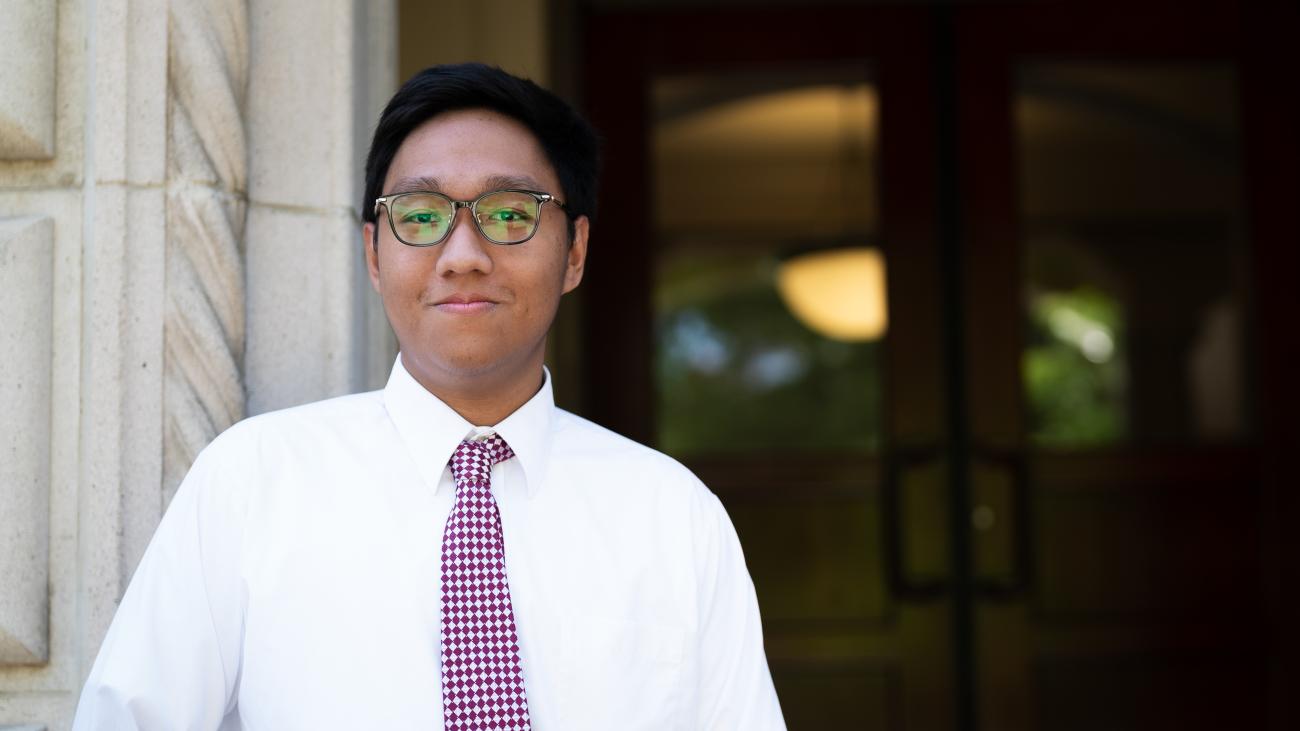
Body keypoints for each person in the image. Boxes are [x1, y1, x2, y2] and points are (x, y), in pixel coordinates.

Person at [72, 62, 786, 730]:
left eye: (511, 214)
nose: (464, 253)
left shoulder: (671, 515)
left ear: (574, 252)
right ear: (374, 254)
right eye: (420, 215)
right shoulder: (252, 482)